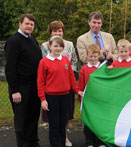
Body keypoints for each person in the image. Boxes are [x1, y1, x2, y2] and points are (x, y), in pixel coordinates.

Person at [37, 36, 83, 147]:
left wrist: (77, 90)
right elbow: (40, 82)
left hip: (65, 96)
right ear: (49, 47)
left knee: (63, 123)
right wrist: (43, 99)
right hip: (51, 97)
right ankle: (55, 144)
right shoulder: (44, 62)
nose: (58, 48)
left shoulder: (65, 60)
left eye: (60, 46)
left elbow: (71, 78)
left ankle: (62, 143)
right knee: (54, 124)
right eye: (55, 46)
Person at [4, 13, 42, 147]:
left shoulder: (33, 40)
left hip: (34, 87)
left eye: (32, 24)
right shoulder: (14, 41)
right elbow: (10, 68)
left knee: (33, 117)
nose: (29, 26)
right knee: (22, 121)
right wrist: (15, 90)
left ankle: (33, 143)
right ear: (20, 24)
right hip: (21, 88)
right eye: (27, 23)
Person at [78, 44, 105, 147]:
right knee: (88, 122)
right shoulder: (84, 69)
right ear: (87, 56)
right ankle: (89, 142)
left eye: (95, 56)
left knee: (99, 121)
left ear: (99, 56)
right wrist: (81, 100)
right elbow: (81, 85)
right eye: (90, 56)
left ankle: (100, 142)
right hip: (88, 100)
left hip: (99, 100)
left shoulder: (102, 68)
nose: (93, 59)